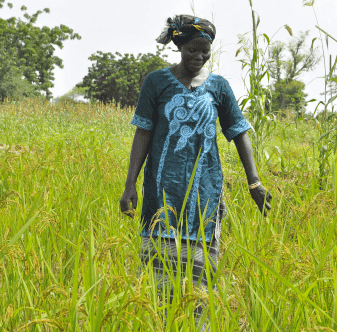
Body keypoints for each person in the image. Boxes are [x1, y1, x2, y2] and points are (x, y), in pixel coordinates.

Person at [119, 14, 273, 330]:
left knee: (201, 268)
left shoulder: (219, 87)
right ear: (179, 46)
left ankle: (197, 324)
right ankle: (159, 322)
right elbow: (144, 133)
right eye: (193, 50)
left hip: (205, 191)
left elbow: (239, 131)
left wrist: (254, 180)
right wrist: (129, 184)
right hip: (162, 190)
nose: (200, 57)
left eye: (206, 51)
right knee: (159, 266)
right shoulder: (156, 82)